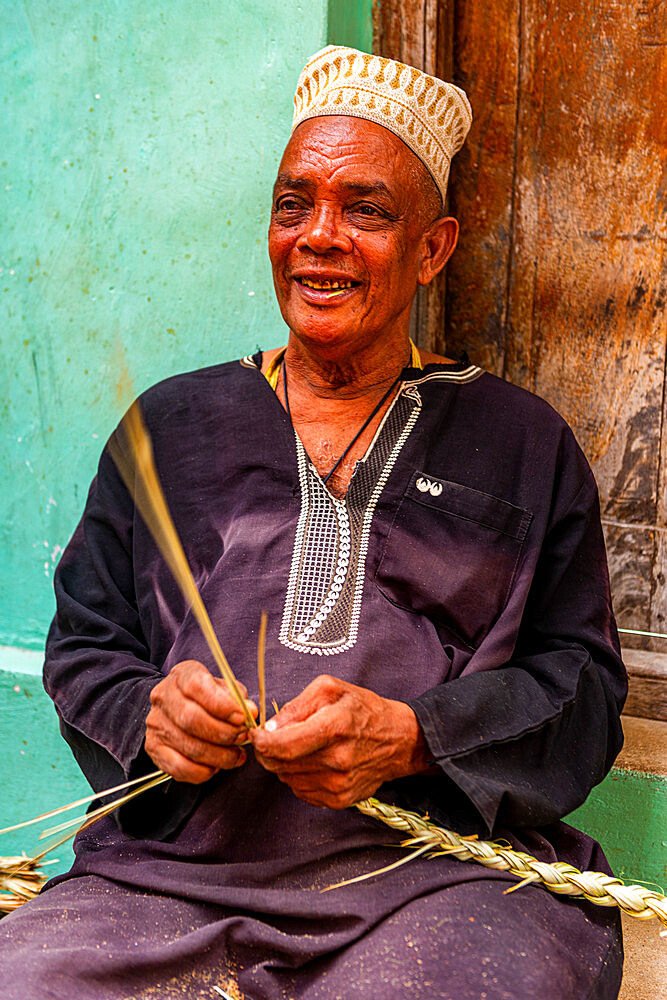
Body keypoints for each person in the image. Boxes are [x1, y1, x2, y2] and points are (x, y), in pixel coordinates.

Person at [0, 46, 626, 999]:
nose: (319, 236)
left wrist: (417, 735)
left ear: (433, 247)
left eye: (365, 210)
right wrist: (151, 717)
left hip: (440, 888)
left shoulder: (521, 441)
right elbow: (89, 645)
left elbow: (578, 692)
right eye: (294, 205)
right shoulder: (169, 426)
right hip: (169, 881)